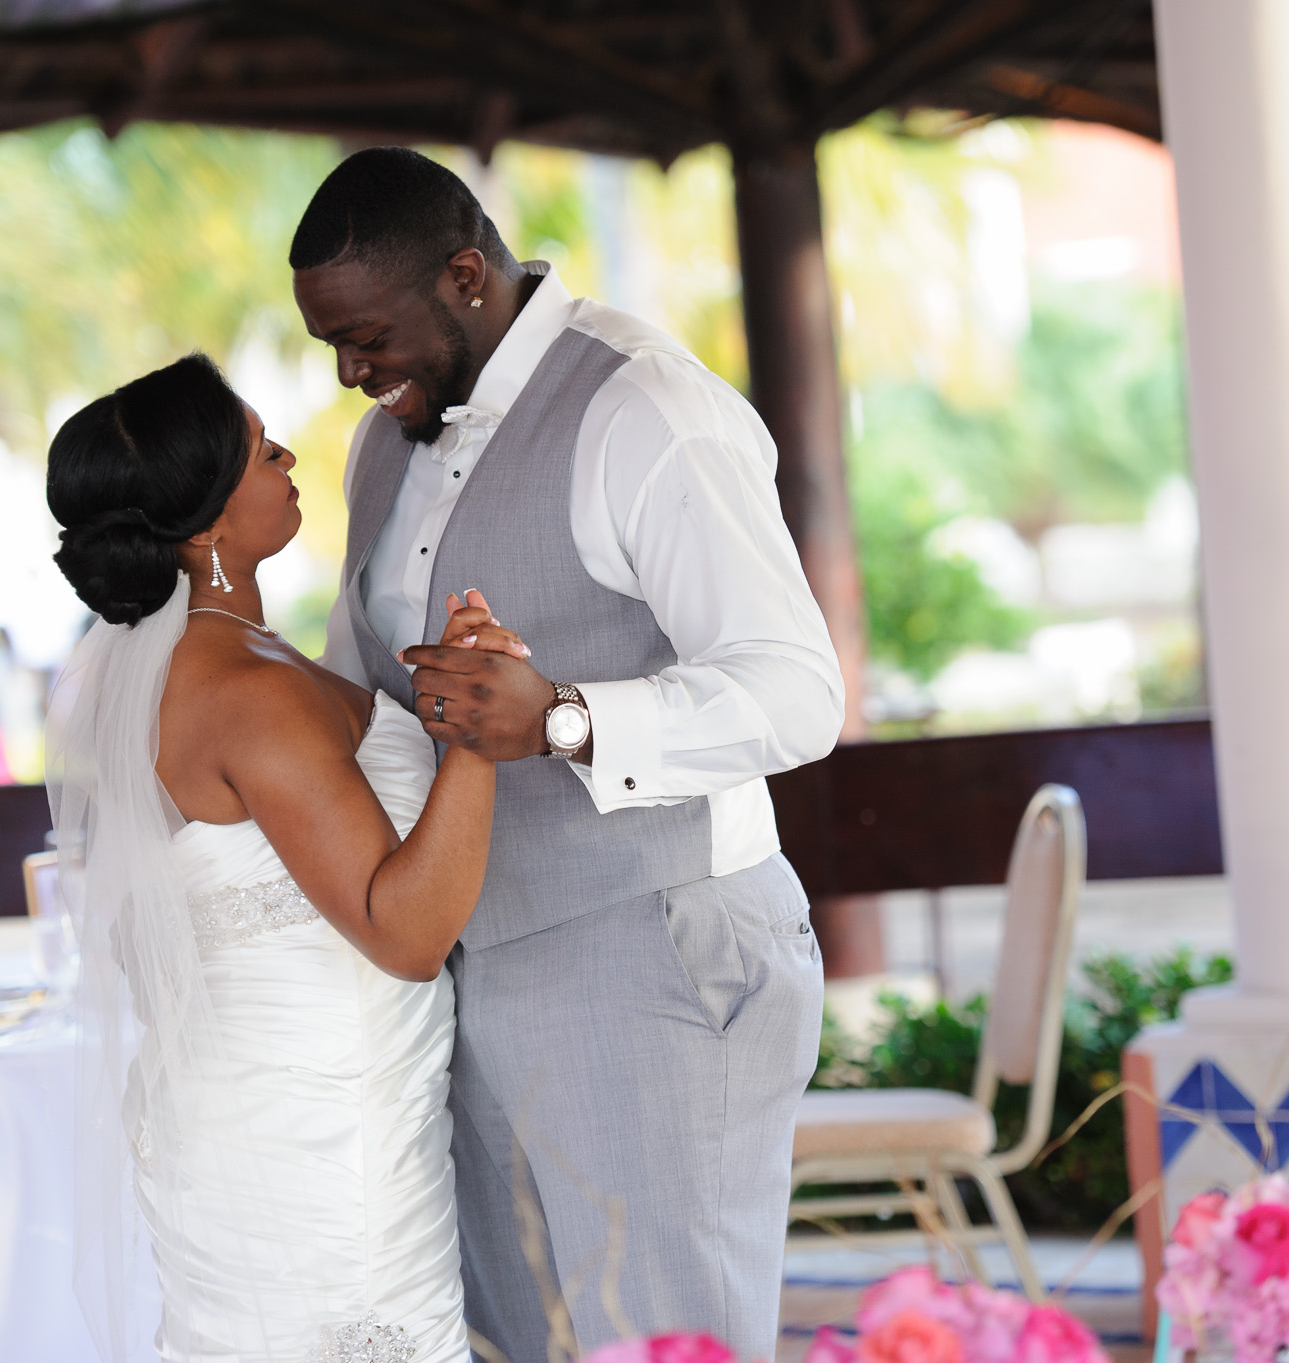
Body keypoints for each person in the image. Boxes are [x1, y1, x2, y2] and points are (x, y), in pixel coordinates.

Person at [296, 148, 845, 1361]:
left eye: (368, 336)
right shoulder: (382, 443)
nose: (349, 373)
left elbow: (798, 692)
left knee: (665, 1339)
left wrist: (562, 717)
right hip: (465, 971)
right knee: (524, 1339)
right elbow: (365, 693)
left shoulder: (644, 406)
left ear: (464, 277)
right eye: (331, 344)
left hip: (646, 948)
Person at [43, 354, 527, 1363]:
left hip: (304, 1101)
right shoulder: (239, 689)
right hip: (316, 1134)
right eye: (264, 449)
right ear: (206, 522)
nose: (291, 454)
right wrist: (479, 732)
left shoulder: (204, 666)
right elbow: (402, 930)